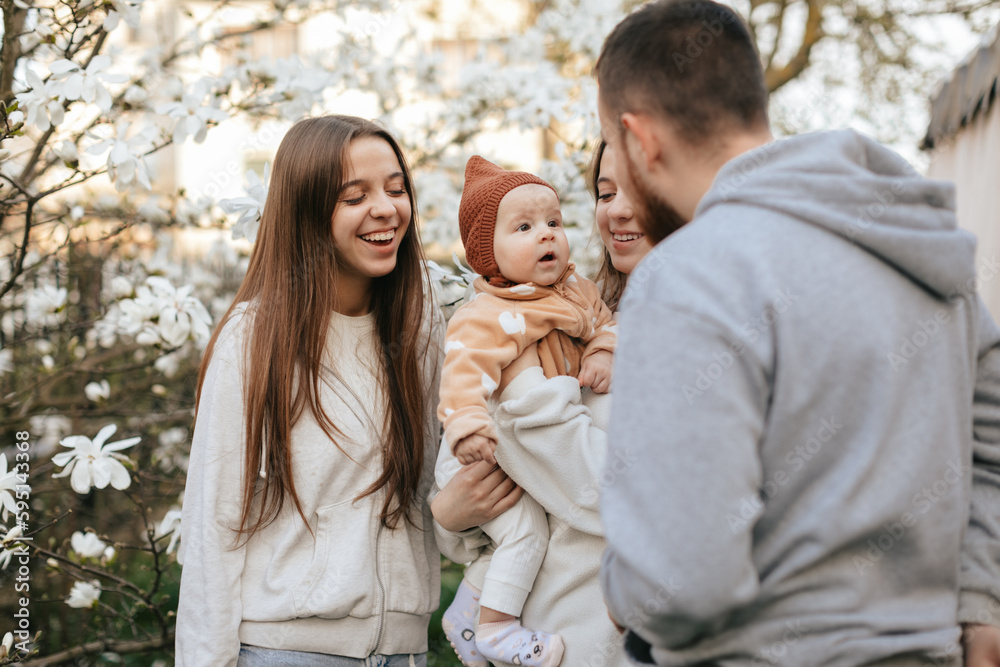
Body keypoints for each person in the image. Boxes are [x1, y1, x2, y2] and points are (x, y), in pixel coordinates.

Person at [593, 1, 1000, 665]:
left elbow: (685, 583)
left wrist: (622, 588)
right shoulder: (920, 249)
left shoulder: (690, 276)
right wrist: (981, 596)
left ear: (640, 139)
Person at [174, 115, 519, 667]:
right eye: (354, 196)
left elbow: (430, 505)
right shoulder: (254, 340)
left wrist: (450, 513)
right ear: (307, 211)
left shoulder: (423, 328)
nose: (385, 208)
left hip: (405, 653)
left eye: (395, 188)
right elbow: (212, 532)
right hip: (285, 653)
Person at [433, 142, 649, 667]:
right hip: (543, 636)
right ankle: (479, 620)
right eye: (604, 192)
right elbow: (481, 508)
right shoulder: (531, 309)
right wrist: (448, 517)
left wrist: (530, 394)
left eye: (640, 190)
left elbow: (628, 502)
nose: (618, 208)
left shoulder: (607, 321)